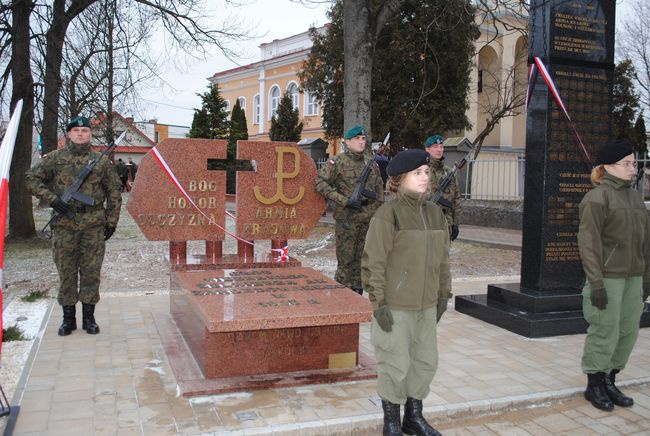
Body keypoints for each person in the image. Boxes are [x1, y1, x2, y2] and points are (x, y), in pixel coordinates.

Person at [361, 148, 451, 436]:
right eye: (417, 173)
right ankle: (391, 423)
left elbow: (444, 260)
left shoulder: (436, 213)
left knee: (425, 362)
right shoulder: (389, 214)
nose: (425, 177)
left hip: (426, 305)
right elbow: (372, 263)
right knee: (395, 364)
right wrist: (379, 304)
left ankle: (414, 417)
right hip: (396, 306)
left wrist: (443, 296)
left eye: (426, 172)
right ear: (399, 179)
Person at [26, 116, 122, 336]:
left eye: (85, 130)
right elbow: (31, 178)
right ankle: (68, 319)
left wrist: (111, 222)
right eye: (76, 130)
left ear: (90, 134)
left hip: (93, 225)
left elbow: (114, 192)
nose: (80, 134)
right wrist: (53, 199)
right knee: (67, 272)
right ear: (69, 134)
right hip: (64, 225)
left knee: (91, 273)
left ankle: (89, 319)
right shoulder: (54, 158)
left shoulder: (100, 162)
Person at [577, 139, 650, 411]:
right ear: (608, 167)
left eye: (634, 163)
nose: (633, 168)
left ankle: (610, 379)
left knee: (628, 330)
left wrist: (646, 276)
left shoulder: (634, 197)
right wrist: (595, 283)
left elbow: (645, 239)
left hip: (634, 276)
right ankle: (594, 384)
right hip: (608, 276)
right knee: (605, 330)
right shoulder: (597, 198)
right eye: (627, 163)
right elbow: (588, 243)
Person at [315, 125, 384, 295]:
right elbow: (320, 183)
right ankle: (343, 300)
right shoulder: (337, 162)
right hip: (347, 221)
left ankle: (358, 297)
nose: (362, 142)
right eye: (357, 139)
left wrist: (372, 213)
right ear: (347, 142)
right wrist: (344, 201)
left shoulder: (371, 163)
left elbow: (379, 192)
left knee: (363, 261)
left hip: (367, 221)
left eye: (363, 139)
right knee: (346, 263)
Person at [424, 134, 461, 241]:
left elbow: (456, 199)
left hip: (446, 223)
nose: (439, 150)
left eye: (441, 147)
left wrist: (456, 224)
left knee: (443, 256)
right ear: (427, 149)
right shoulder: (422, 170)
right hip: (426, 222)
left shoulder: (449, 172)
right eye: (435, 147)